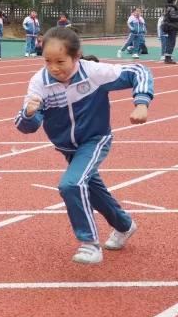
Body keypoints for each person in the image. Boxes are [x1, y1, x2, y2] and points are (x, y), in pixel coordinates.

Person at [15, 27, 152, 264]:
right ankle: (124, 225)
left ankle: (89, 243)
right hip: (67, 148)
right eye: (47, 61)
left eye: (60, 61)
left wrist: (142, 102)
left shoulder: (93, 73)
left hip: (95, 139)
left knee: (71, 184)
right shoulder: (40, 82)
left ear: (76, 56)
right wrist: (28, 114)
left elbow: (138, 70)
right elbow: (27, 126)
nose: (54, 67)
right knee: (91, 190)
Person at [163, 0, 178, 64]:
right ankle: (168, 58)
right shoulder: (172, 8)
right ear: (174, 1)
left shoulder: (168, 7)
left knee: (170, 41)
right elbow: (172, 17)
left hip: (169, 26)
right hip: (172, 27)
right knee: (171, 42)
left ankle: (168, 56)